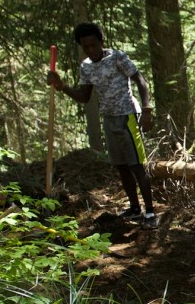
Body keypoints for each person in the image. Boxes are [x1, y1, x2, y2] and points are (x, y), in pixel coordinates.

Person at [47, 22, 158, 229]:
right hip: (108, 119)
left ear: (101, 42)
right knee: (121, 166)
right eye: (85, 47)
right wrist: (62, 86)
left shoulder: (117, 57)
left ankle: (150, 212)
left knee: (136, 166)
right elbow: (84, 96)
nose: (90, 50)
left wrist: (147, 109)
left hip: (128, 116)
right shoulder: (86, 66)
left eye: (93, 45)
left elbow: (140, 79)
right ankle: (134, 208)